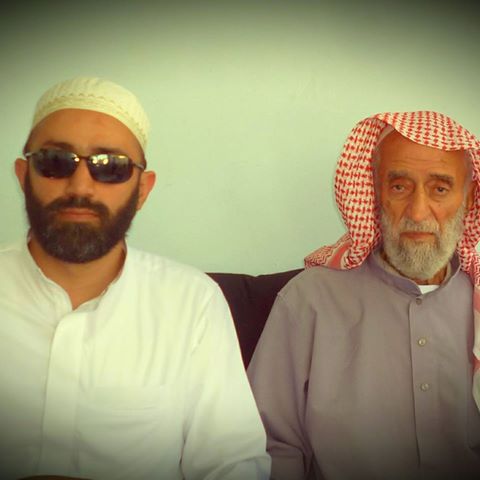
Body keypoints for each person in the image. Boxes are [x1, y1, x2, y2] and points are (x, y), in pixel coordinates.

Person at [0, 76, 270, 480]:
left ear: (142, 189)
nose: (80, 186)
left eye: (111, 166)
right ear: (24, 176)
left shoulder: (191, 303)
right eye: (55, 161)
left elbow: (234, 467)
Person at [247, 111, 480, 480]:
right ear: (375, 194)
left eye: (440, 189)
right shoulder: (310, 300)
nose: (419, 212)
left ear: (469, 198)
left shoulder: (476, 300)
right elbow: (269, 442)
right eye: (400, 187)